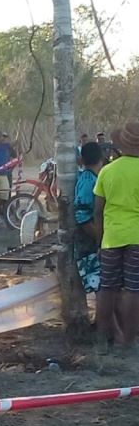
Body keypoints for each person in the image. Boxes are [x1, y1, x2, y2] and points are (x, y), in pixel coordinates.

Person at [94, 121, 139, 352]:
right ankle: (129, 340)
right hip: (137, 237)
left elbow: (98, 210)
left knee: (107, 287)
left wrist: (100, 239)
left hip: (111, 237)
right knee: (133, 288)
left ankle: (102, 338)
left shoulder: (107, 170)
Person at [73, 141, 103, 294]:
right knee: (99, 285)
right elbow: (82, 216)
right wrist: (100, 240)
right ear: (101, 159)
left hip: (91, 237)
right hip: (88, 240)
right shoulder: (88, 180)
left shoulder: (90, 178)